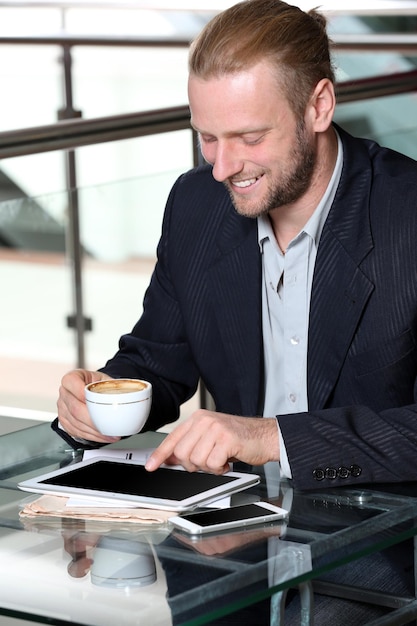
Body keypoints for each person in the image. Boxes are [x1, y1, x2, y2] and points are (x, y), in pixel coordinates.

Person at [54, 0, 417, 622]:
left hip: (384, 544)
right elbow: (157, 361)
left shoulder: (407, 215)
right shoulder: (197, 204)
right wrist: (99, 398)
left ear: (319, 106)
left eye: (251, 138)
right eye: (207, 137)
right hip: (233, 538)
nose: (222, 168)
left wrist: (272, 435)